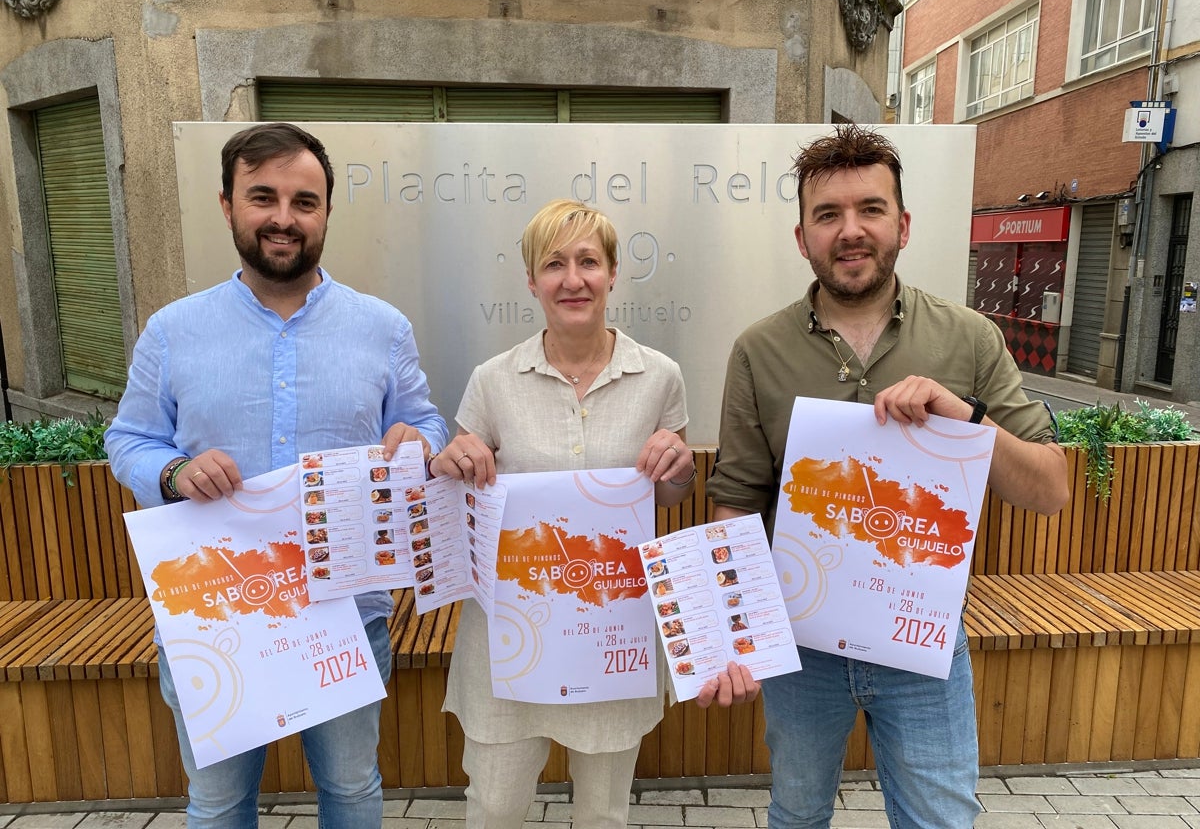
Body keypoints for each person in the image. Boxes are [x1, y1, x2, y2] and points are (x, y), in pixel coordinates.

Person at [705, 124, 1069, 829]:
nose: (850, 230)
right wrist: (732, 635)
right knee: (798, 814)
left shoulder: (968, 337)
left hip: (924, 642)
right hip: (800, 647)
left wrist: (964, 420)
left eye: (870, 209)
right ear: (801, 236)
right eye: (827, 214)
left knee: (940, 819)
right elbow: (735, 504)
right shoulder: (759, 350)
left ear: (901, 224)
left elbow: (1050, 489)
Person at [104, 122, 449, 828]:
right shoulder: (173, 331)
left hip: (346, 611)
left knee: (352, 791)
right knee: (218, 800)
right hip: (215, 612)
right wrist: (173, 473)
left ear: (325, 213)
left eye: (305, 201)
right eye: (263, 197)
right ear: (227, 206)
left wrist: (416, 440)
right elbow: (128, 439)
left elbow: (428, 426)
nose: (284, 218)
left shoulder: (382, 327)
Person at [429, 199, 758, 828]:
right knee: (494, 808)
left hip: (612, 630)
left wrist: (679, 467)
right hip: (510, 636)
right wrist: (455, 462)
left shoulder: (659, 376)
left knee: (604, 815)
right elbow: (460, 500)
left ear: (612, 274)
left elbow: (666, 495)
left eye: (588, 262)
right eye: (554, 264)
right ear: (531, 280)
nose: (572, 279)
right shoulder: (491, 380)